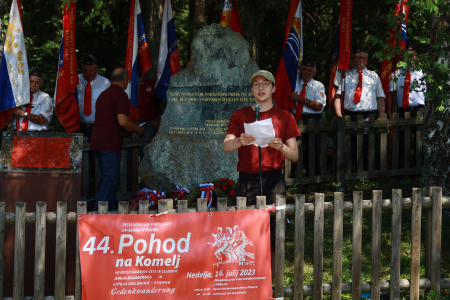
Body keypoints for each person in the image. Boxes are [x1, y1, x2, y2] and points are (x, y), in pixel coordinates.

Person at [223, 70, 300, 278]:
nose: (260, 88)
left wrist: (281, 147)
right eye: (256, 84)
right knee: (245, 235)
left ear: (273, 88)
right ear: (251, 90)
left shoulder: (285, 116)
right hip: (247, 181)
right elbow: (226, 146)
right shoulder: (240, 115)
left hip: (274, 180)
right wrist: (239, 141)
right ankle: (249, 283)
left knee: (275, 234)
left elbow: (294, 156)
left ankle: (274, 283)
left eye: (265, 84)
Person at [90, 68, 144, 211]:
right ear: (125, 78)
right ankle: (97, 215)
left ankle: (111, 213)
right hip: (110, 143)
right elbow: (123, 121)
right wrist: (138, 129)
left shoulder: (103, 95)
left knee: (108, 180)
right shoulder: (120, 95)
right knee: (110, 180)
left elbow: (109, 120)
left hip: (96, 141)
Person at [334, 44, 385, 171]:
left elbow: (380, 97)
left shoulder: (374, 76)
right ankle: (351, 171)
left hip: (368, 115)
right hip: (349, 115)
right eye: (355, 57)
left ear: (366, 59)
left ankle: (366, 172)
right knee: (349, 145)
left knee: (367, 144)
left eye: (361, 57)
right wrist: (339, 115)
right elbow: (338, 96)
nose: (358, 60)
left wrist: (381, 115)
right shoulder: (345, 75)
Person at [387, 42, 425, 167]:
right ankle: (403, 169)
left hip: (419, 110)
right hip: (403, 110)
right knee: (403, 140)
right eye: (406, 55)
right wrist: (389, 111)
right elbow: (391, 94)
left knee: (419, 140)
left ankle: (418, 168)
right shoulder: (396, 74)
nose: (409, 57)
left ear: (416, 56)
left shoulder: (423, 73)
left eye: (412, 54)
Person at [288, 58, 326, 175]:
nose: (307, 72)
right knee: (294, 148)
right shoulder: (293, 83)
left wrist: (300, 99)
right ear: (300, 70)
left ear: (314, 72)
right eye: (305, 69)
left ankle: (313, 177)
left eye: (310, 70)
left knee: (313, 149)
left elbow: (319, 106)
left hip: (313, 119)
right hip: (295, 118)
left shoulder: (318, 86)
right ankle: (293, 175)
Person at [77, 54, 111, 140]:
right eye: (85, 70)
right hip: (77, 127)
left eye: (91, 70)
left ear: (97, 68)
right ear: (81, 67)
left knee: (95, 152)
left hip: (98, 128)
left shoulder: (105, 83)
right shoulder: (75, 81)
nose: (88, 73)